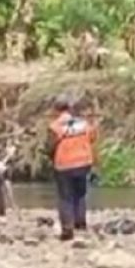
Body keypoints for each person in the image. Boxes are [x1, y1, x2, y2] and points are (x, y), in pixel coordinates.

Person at [47, 95, 98, 241]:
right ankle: (80, 223)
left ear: (56, 110)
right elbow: (93, 138)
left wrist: (51, 158)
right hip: (83, 162)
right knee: (80, 194)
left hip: (64, 164)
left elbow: (50, 146)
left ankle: (67, 229)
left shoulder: (55, 126)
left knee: (65, 197)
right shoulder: (83, 124)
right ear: (70, 109)